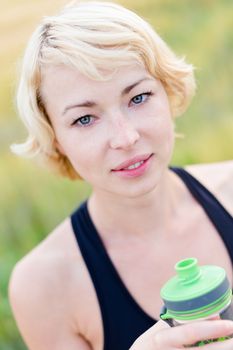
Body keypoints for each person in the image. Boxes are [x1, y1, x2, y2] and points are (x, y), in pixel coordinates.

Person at [8, 1, 233, 349]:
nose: (126, 137)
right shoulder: (43, 286)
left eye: (139, 97)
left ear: (167, 90)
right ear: (55, 139)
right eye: (85, 119)